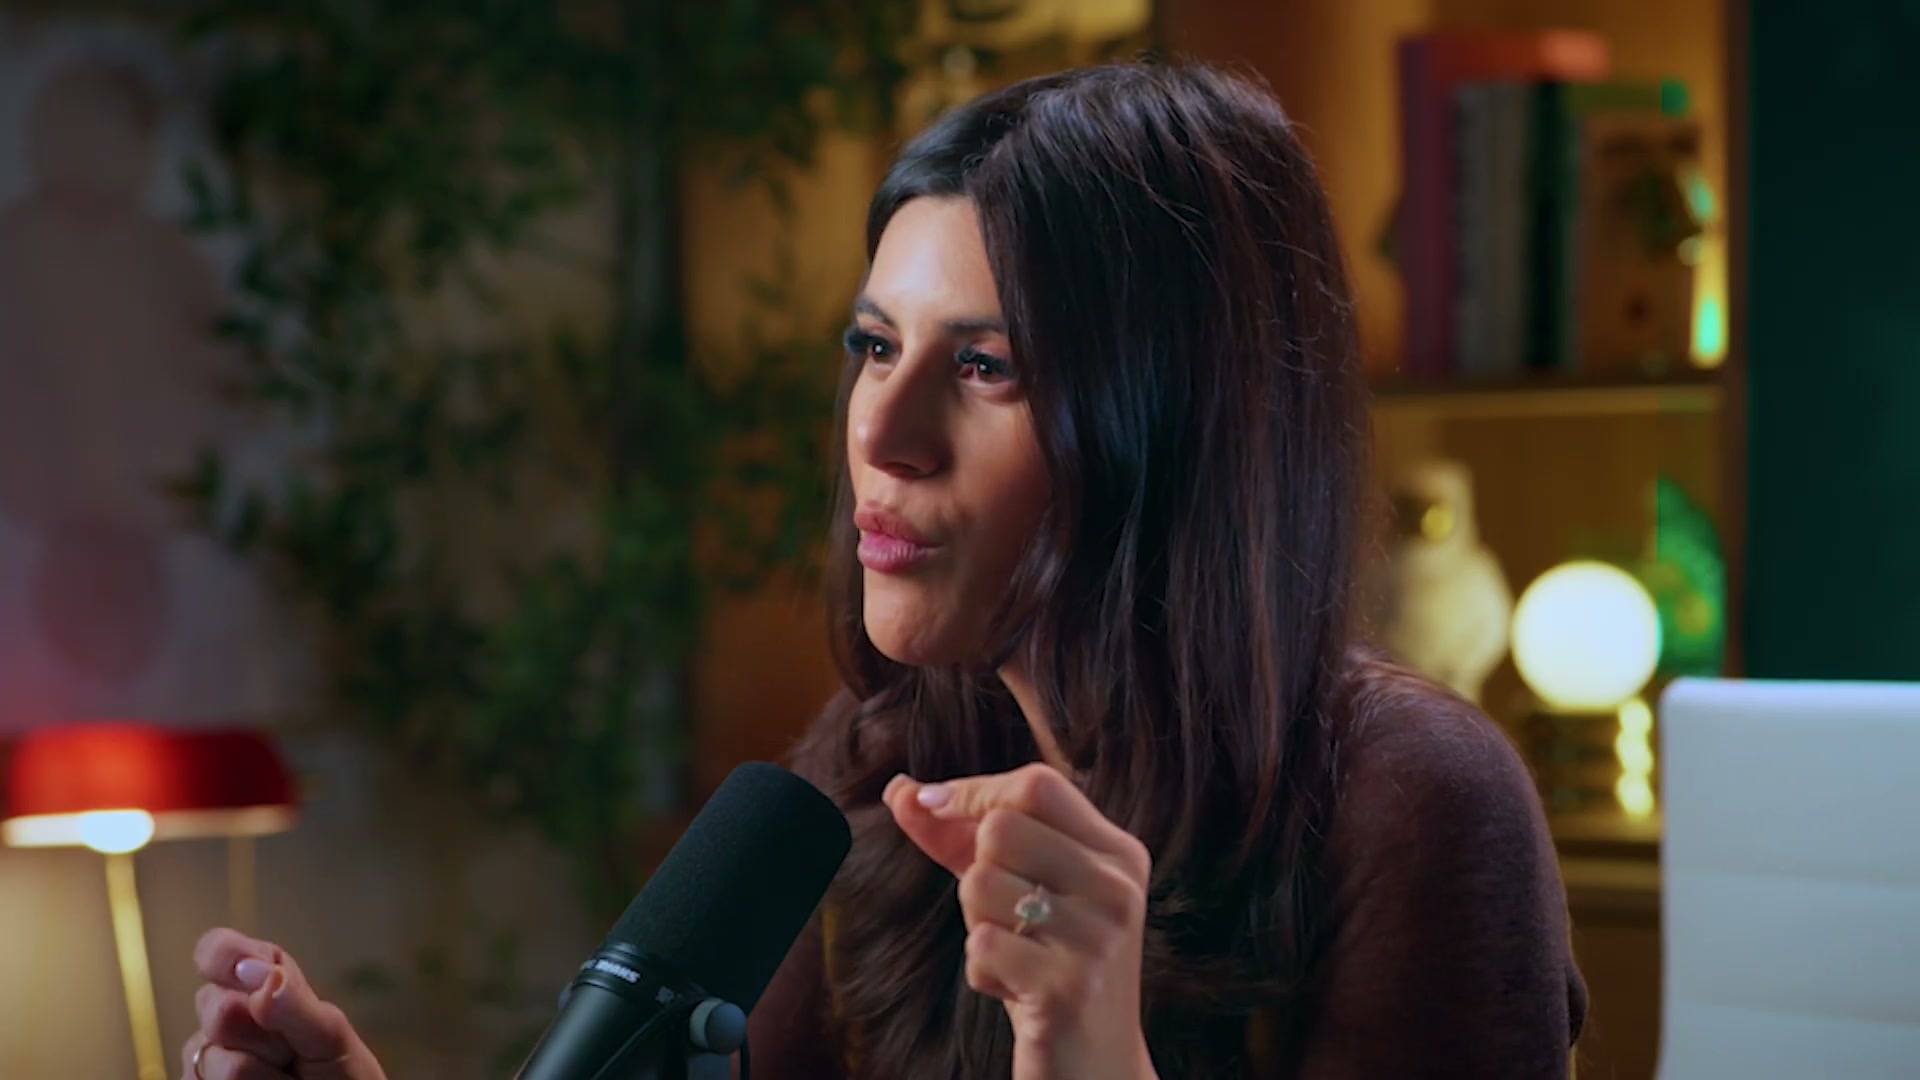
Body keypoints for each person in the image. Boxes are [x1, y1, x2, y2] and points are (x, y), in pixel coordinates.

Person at [181, 62, 1586, 1079]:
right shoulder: (878, 766)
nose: (881, 431)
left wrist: (1092, 1054)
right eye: (873, 347)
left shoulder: (1415, 803)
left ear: (1178, 427)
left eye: (985, 366)